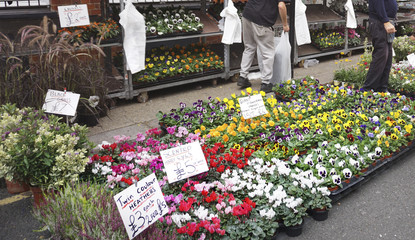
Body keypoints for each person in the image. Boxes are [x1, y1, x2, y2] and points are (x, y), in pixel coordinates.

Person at [237, 0, 290, 93]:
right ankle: (266, 83)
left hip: (247, 15)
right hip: (261, 19)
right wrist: (285, 24)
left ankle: (242, 77)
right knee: (268, 53)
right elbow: (281, 6)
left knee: (249, 47)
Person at [362, 0, 398, 93]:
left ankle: (381, 89)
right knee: (381, 56)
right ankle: (367, 89)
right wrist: (385, 21)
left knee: (387, 57)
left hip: (386, 21)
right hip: (380, 22)